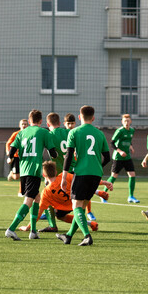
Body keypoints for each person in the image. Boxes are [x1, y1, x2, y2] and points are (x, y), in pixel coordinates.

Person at [56, 105, 110, 246]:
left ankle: (87, 236)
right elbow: (107, 157)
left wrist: (64, 176)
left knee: (76, 206)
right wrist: (97, 166)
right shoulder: (100, 134)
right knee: (82, 206)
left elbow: (68, 156)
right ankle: (68, 236)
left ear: (79, 117)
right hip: (96, 174)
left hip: (81, 173)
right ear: (93, 118)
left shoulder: (74, 132)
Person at [4, 109, 57, 241]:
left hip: (24, 170)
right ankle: (11, 229)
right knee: (28, 201)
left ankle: (33, 231)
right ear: (41, 121)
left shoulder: (22, 133)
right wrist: (56, 155)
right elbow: (53, 153)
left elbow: (12, 149)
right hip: (34, 170)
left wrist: (10, 157)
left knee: (37, 198)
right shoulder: (44, 132)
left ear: (29, 121)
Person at [18, 161, 110, 233]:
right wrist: (103, 182)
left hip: (64, 207)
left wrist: (28, 227)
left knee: (59, 215)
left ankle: (90, 223)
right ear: (56, 171)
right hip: (77, 201)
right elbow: (80, 180)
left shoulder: (46, 192)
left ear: (43, 175)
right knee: (80, 186)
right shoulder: (63, 176)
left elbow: (38, 212)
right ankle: (96, 192)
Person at [102, 114, 139, 204]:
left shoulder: (132, 130)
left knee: (132, 175)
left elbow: (129, 140)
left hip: (127, 157)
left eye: (128, 121)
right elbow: (112, 143)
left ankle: (131, 196)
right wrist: (120, 151)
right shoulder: (119, 131)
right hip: (118, 157)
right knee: (114, 176)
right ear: (122, 122)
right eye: (125, 121)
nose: (126, 122)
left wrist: (131, 147)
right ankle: (103, 194)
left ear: (131, 121)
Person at [5, 119, 28, 197]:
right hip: (16, 157)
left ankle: (21, 192)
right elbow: (8, 143)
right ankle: (12, 173)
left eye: (25, 124)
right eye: (22, 124)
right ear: (19, 125)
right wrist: (8, 152)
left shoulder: (29, 134)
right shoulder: (16, 134)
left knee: (24, 175)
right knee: (16, 177)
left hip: (25, 157)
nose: (24, 125)